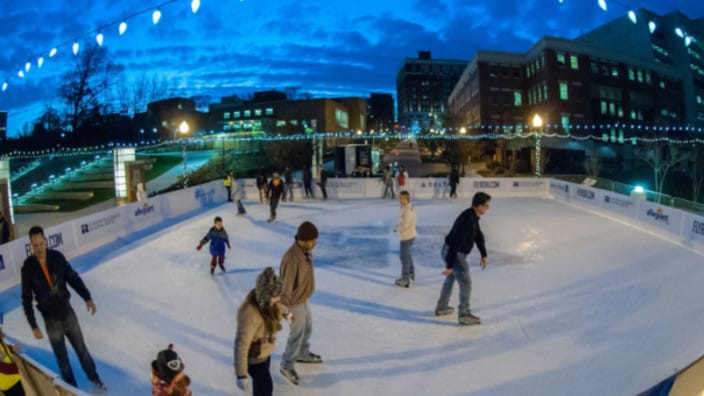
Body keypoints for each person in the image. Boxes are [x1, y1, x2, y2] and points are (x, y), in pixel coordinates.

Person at [20, 225, 105, 389]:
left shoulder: (57, 257)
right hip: (51, 321)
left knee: (82, 350)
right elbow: (26, 298)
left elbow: (73, 278)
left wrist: (87, 297)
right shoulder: (28, 268)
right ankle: (71, 389)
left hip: (68, 313)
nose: (39, 248)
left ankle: (95, 378)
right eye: (35, 245)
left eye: (41, 243)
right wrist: (33, 325)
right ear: (31, 245)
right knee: (62, 359)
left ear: (45, 241)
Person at [234, 267, 293, 396]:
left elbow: (276, 306)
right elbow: (241, 345)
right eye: (275, 296)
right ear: (266, 295)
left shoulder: (266, 303)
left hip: (265, 354)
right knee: (266, 389)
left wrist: (286, 313)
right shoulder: (250, 314)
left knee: (260, 387)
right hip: (254, 359)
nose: (278, 299)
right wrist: (241, 374)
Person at [435, 192, 491, 326]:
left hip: (451, 251)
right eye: (487, 206)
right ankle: (464, 314)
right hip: (454, 253)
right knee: (466, 282)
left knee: (451, 279)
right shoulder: (467, 220)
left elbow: (478, 236)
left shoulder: (472, 216)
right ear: (479, 205)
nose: (488, 208)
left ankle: (442, 307)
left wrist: (484, 254)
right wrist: (449, 265)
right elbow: (455, 243)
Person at [279, 221, 321, 386]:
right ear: (303, 239)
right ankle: (286, 365)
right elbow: (284, 288)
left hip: (303, 298)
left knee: (307, 328)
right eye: (313, 241)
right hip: (292, 303)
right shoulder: (291, 258)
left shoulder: (305, 251)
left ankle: (302, 353)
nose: (315, 244)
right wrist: (285, 312)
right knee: (296, 333)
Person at [393, 191, 416, 288]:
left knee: (404, 257)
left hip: (407, 236)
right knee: (407, 255)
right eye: (400, 198)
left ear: (407, 199)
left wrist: (396, 228)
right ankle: (411, 273)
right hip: (409, 235)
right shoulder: (407, 207)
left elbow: (405, 225)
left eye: (403, 198)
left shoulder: (407, 210)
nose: (401, 200)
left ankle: (405, 280)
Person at [0, 328, 24, 396]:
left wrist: (11, 349)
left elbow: (2, 353)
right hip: (7, 383)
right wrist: (15, 368)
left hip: (14, 379)